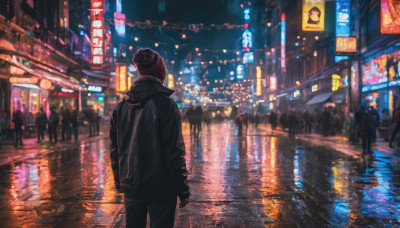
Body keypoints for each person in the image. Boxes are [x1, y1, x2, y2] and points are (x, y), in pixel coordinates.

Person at [110, 48, 189, 228]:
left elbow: (115, 149)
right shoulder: (165, 104)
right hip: (161, 186)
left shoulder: (121, 106)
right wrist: (182, 187)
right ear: (160, 73)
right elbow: (173, 150)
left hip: (131, 184)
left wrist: (119, 180)